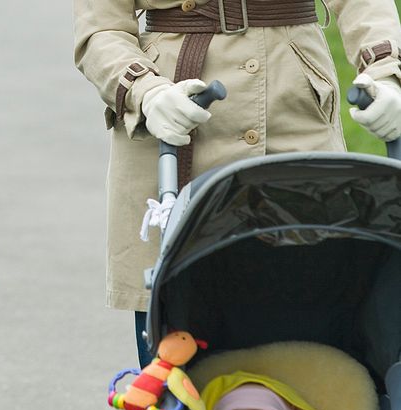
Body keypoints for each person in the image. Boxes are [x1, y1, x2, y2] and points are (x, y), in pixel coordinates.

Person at [73, 0, 401, 367]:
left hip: (292, 110)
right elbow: (101, 29)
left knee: (322, 324)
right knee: (175, 337)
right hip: (176, 116)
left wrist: (384, 71)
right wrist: (145, 91)